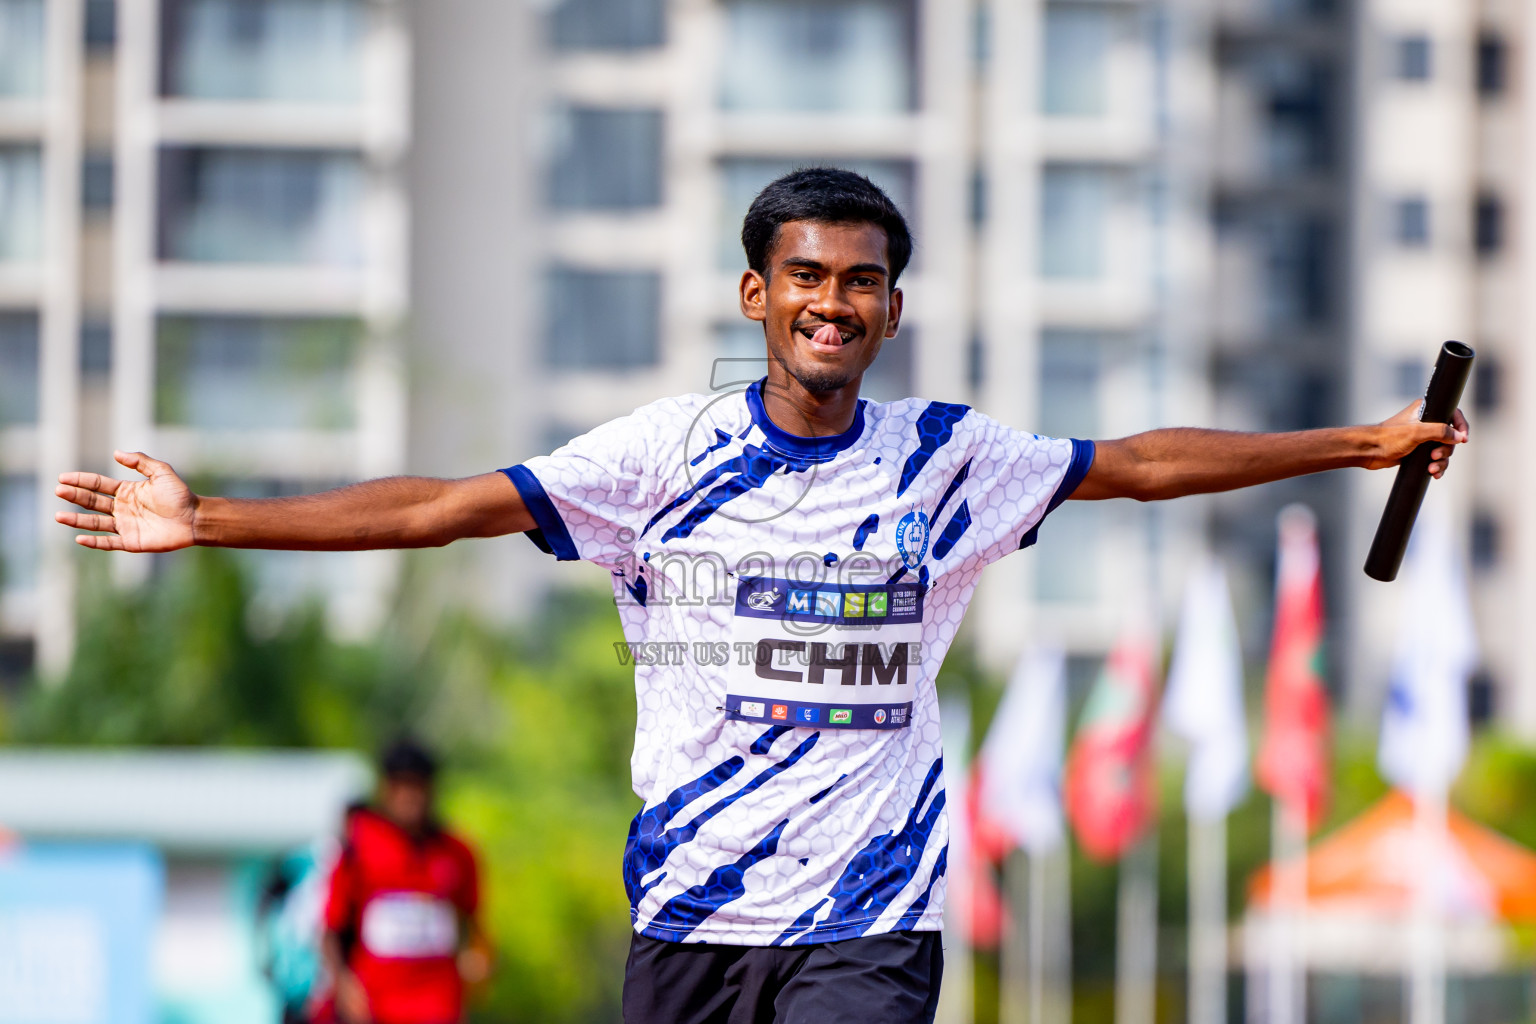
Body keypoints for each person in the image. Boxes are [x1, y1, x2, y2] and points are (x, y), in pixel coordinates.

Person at [54, 168, 1468, 1024]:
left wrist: (1359, 441)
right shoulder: (662, 457)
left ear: (892, 311)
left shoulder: (949, 460)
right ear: (757, 292)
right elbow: (439, 509)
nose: (835, 302)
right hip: (691, 913)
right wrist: (217, 518)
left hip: (871, 916)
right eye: (808, 276)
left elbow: (1143, 465)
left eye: (863, 282)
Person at [317, 739, 490, 1024]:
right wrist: (343, 986)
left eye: (418, 786)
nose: (410, 796)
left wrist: (478, 962)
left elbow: (475, 925)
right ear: (386, 788)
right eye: (401, 786)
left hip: (439, 1007)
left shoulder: (457, 853)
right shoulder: (359, 846)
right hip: (376, 1009)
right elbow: (331, 929)